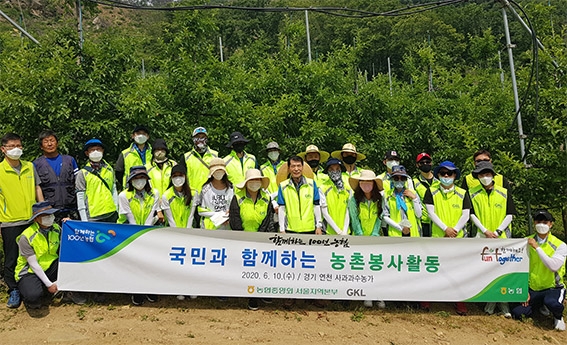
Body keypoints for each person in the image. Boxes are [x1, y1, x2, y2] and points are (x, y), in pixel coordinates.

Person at [0, 133, 44, 308]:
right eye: (11, 146)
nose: (16, 149)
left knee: (34, 254)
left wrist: (43, 209)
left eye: (18, 145)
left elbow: (37, 188)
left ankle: (35, 285)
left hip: (31, 220)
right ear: (3, 149)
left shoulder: (29, 166)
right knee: (11, 258)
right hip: (10, 221)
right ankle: (13, 289)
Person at [469, 161, 516, 317]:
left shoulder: (503, 192)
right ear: (478, 176)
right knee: (485, 271)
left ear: (493, 175)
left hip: (501, 237)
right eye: (482, 174)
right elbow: (472, 214)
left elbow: (510, 214)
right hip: (482, 237)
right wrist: (485, 230)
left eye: (488, 174)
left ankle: (503, 306)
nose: (485, 177)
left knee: (502, 271)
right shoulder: (472, 193)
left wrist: (497, 230)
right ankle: (488, 302)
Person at [423, 160, 471, 315]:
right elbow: (431, 212)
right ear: (438, 175)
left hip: (458, 239)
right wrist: (445, 229)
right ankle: (426, 300)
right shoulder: (431, 191)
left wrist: (454, 230)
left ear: (455, 175)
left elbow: (466, 214)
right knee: (433, 270)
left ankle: (460, 302)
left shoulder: (463, 193)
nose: (445, 176)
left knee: (459, 271)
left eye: (449, 173)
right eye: (442, 173)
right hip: (438, 237)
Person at [511, 210, 565, 331]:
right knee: (518, 313)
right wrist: (524, 290)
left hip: (552, 287)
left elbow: (553, 266)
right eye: (538, 221)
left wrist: (537, 247)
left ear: (551, 224)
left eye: (545, 222)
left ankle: (558, 317)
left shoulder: (560, 245)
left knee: (553, 304)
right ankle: (540, 306)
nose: (541, 224)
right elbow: (518, 265)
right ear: (534, 223)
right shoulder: (525, 241)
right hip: (533, 288)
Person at [14, 202, 76, 309]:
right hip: (30, 272)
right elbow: (33, 264)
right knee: (33, 297)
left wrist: (70, 225)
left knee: (74, 267)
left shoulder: (56, 228)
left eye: (51, 214)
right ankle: (36, 290)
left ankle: (57, 289)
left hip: (51, 266)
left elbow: (70, 241)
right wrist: (49, 284)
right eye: (45, 216)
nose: (50, 218)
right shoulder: (26, 236)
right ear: (36, 219)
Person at [229, 169, 274, 311]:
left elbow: (268, 219)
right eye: (252, 181)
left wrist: (261, 236)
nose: (255, 183)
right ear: (246, 183)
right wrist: (242, 237)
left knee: (262, 268)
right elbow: (234, 219)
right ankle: (252, 296)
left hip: (261, 239)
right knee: (249, 270)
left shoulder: (267, 198)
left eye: (257, 180)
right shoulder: (237, 197)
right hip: (243, 239)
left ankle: (262, 292)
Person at [117, 166, 159, 306]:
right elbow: (129, 218)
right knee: (134, 263)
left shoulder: (154, 193)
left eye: (142, 178)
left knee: (150, 262)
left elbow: (151, 214)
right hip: (130, 232)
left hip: (148, 230)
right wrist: (137, 237)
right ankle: (137, 291)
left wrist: (145, 234)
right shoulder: (124, 196)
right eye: (136, 178)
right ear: (130, 180)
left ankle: (150, 288)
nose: (139, 181)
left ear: (147, 180)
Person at [348, 169, 385, 309]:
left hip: (376, 239)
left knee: (376, 267)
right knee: (363, 268)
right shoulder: (354, 200)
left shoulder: (380, 200)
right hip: (359, 239)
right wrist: (360, 234)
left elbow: (380, 218)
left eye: (369, 182)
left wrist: (375, 234)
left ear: (374, 184)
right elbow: (354, 218)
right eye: (363, 182)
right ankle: (366, 295)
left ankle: (379, 296)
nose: (366, 185)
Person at [33, 130, 79, 222]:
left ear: (57, 143)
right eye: (46, 142)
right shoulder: (36, 164)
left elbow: (78, 184)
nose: (49, 144)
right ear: (41, 146)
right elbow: (36, 188)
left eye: (52, 140)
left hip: (71, 210)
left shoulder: (69, 160)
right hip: (50, 210)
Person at [76, 139, 119, 223]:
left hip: (111, 214)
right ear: (87, 153)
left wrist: (116, 209)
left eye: (98, 149)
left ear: (103, 151)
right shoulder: (82, 173)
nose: (96, 152)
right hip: (93, 217)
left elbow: (113, 190)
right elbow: (80, 197)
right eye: (92, 150)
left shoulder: (109, 169)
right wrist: (84, 220)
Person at [277, 156, 322, 234]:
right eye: (293, 166)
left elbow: (316, 205)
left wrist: (318, 226)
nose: (296, 169)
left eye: (299, 166)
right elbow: (282, 208)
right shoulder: (283, 186)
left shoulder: (311, 184)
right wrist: (282, 229)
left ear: (302, 167)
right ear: (289, 168)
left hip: (310, 228)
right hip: (290, 229)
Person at [382, 166, 422, 237]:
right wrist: (400, 228)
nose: (399, 181)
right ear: (392, 180)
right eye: (396, 178)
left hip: (413, 232)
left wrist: (414, 199)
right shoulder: (388, 195)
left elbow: (419, 215)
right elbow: (385, 216)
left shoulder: (413, 193)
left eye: (403, 178)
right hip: (395, 232)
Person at [196, 158, 234, 230]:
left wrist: (228, 217)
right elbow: (201, 210)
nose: (218, 172)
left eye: (221, 170)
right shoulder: (205, 189)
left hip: (227, 227)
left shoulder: (231, 188)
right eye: (216, 170)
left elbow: (233, 207)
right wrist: (220, 217)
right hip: (210, 227)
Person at [147, 139, 177, 224]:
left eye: (162, 149)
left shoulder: (173, 165)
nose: (160, 152)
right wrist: (157, 207)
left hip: (171, 203)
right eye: (157, 149)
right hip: (153, 205)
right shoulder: (147, 167)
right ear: (153, 151)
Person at [320, 158, 351, 235]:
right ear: (327, 171)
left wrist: (344, 231)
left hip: (346, 231)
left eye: (337, 169)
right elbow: (324, 212)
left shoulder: (348, 188)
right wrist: (338, 231)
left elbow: (348, 210)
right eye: (331, 169)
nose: (334, 171)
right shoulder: (323, 188)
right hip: (329, 232)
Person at [115, 125, 152, 191]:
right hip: (130, 189)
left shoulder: (153, 153)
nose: (141, 136)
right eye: (138, 133)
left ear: (148, 137)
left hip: (150, 189)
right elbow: (118, 172)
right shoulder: (125, 153)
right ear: (133, 136)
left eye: (143, 134)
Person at [183, 126, 219, 192]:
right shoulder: (186, 157)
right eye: (197, 137)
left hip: (211, 194)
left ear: (207, 139)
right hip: (193, 195)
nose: (200, 140)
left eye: (203, 137)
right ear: (193, 139)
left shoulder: (215, 155)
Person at [162, 165, 196, 229]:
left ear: (185, 176)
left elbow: (191, 215)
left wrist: (187, 230)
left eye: (180, 175)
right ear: (171, 178)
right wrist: (177, 233)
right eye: (175, 176)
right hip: (172, 230)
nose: (178, 178)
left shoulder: (193, 193)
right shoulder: (166, 195)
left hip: (189, 229)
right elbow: (170, 219)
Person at [412, 152, 438, 237]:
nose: (425, 164)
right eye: (422, 163)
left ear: (431, 163)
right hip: (423, 222)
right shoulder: (414, 182)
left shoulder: (439, 181)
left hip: (439, 220)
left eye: (427, 162)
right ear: (417, 165)